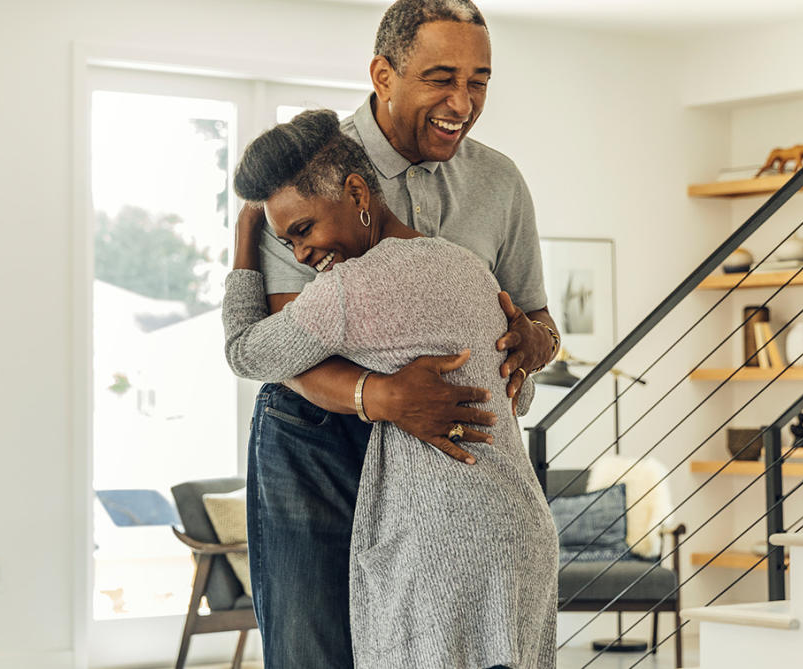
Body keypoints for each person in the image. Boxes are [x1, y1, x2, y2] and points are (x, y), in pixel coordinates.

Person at [236, 0, 561, 666]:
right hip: (318, 443)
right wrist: (380, 398)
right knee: (313, 650)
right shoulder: (308, 173)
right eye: (441, 78)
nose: (462, 101)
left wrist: (531, 344)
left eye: (479, 81)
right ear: (383, 74)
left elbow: (539, 320)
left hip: (437, 465)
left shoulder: (498, 182)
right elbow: (279, 345)